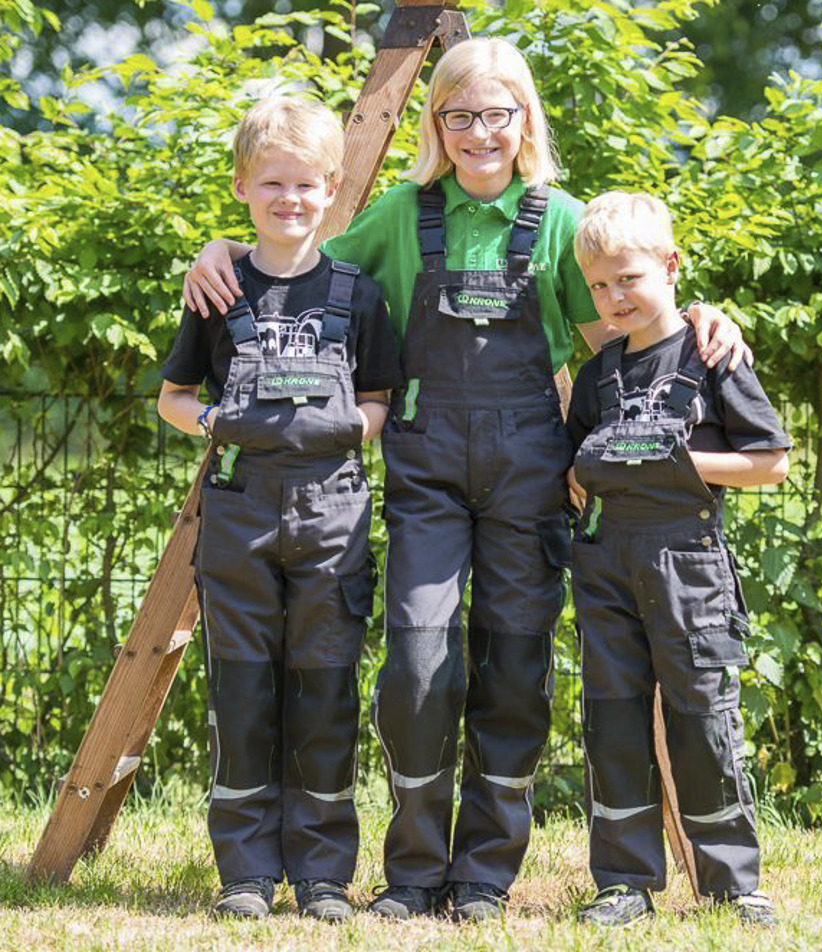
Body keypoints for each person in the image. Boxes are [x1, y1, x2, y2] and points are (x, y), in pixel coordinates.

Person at [181, 38, 749, 922]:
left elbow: (624, 321)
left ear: (525, 120)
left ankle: (484, 874)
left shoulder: (559, 218)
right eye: (459, 116)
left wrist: (703, 317)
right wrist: (216, 249)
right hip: (427, 476)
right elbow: (297, 258)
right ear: (436, 127)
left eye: (497, 114)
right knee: (415, 664)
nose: (479, 133)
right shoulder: (405, 216)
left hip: (531, 477)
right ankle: (411, 872)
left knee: (516, 672)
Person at [158, 97, 403, 922]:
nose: (289, 199)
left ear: (333, 188)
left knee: (325, 692)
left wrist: (344, 429)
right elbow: (172, 399)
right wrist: (216, 422)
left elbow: (378, 400)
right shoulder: (216, 286)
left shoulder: (359, 296)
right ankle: (247, 873)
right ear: (242, 187)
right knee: (242, 693)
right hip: (239, 514)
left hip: (331, 513)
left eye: (305, 184)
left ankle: (326, 873)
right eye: (272, 183)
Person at [566, 191, 790, 927]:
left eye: (627, 279)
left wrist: (679, 458)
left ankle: (732, 883)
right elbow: (574, 470)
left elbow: (771, 462)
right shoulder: (598, 374)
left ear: (669, 266)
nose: (613, 297)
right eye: (600, 285)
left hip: (686, 564)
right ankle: (624, 882)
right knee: (613, 721)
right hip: (606, 565)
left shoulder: (710, 353)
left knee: (703, 719)